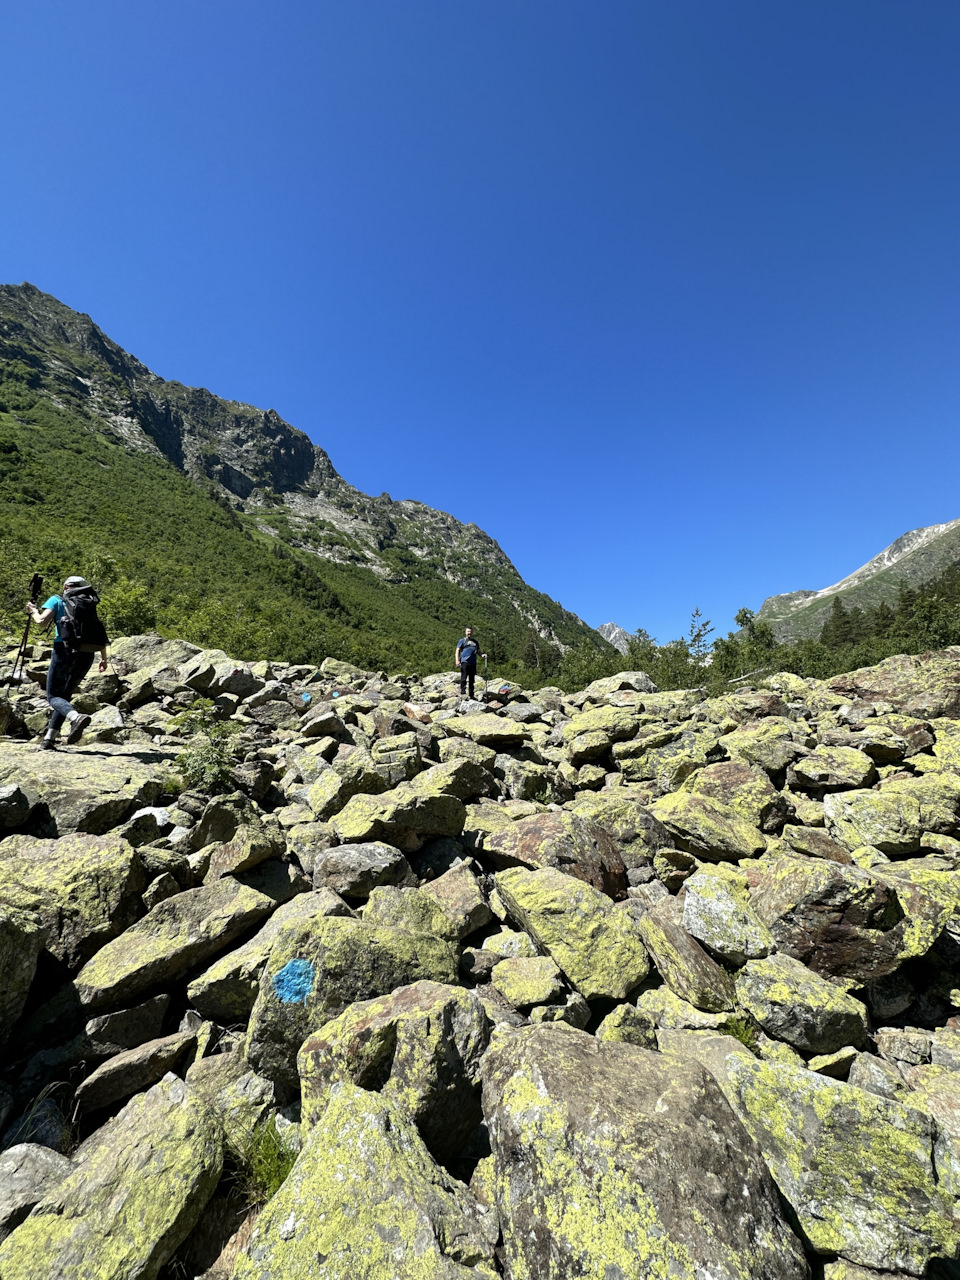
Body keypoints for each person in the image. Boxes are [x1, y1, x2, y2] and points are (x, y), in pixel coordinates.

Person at [26, 576, 108, 750]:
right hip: (88, 652)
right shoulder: (89, 603)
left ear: (65, 587)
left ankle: (75, 718)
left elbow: (41, 622)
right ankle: (49, 739)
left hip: (64, 650)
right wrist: (103, 658)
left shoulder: (57, 599)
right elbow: (96, 630)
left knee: (53, 696)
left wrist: (33, 610)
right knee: (65, 696)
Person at [455, 626, 486, 700]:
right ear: (465, 632)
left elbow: (478, 651)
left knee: (472, 679)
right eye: (468, 631)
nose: (469, 633)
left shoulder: (475, 642)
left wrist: (482, 655)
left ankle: (471, 694)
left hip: (473, 662)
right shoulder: (462, 641)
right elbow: (457, 651)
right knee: (463, 678)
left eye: (470, 631)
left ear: (473, 632)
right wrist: (457, 660)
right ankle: (463, 693)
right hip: (465, 662)